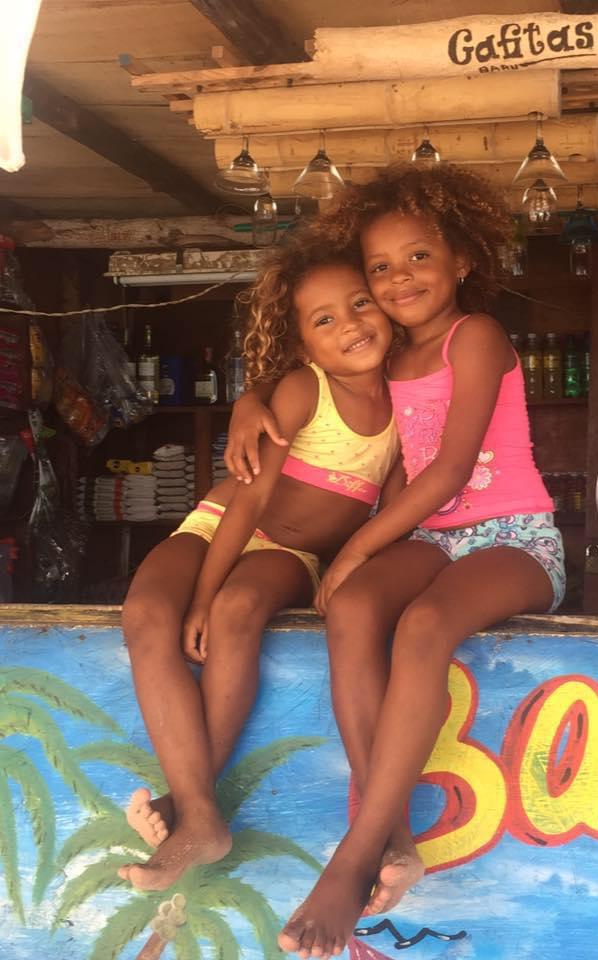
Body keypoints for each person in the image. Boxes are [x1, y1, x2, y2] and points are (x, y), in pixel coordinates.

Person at [226, 165, 565, 958]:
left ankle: (356, 852)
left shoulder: (474, 336)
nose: (397, 278)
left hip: (513, 535)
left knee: (423, 627)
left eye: (418, 258)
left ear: (462, 263)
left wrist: (359, 546)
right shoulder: (383, 361)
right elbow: (304, 383)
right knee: (348, 608)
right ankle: (397, 841)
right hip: (433, 539)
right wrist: (250, 398)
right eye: (380, 267)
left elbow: (449, 472)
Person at [118, 226, 399, 892]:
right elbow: (248, 501)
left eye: (361, 303)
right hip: (222, 522)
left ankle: (190, 809)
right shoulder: (305, 387)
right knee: (146, 611)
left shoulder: (408, 403)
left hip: (294, 552)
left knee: (240, 608)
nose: (350, 325)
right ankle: (200, 817)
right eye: (325, 319)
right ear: (304, 341)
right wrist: (195, 601)